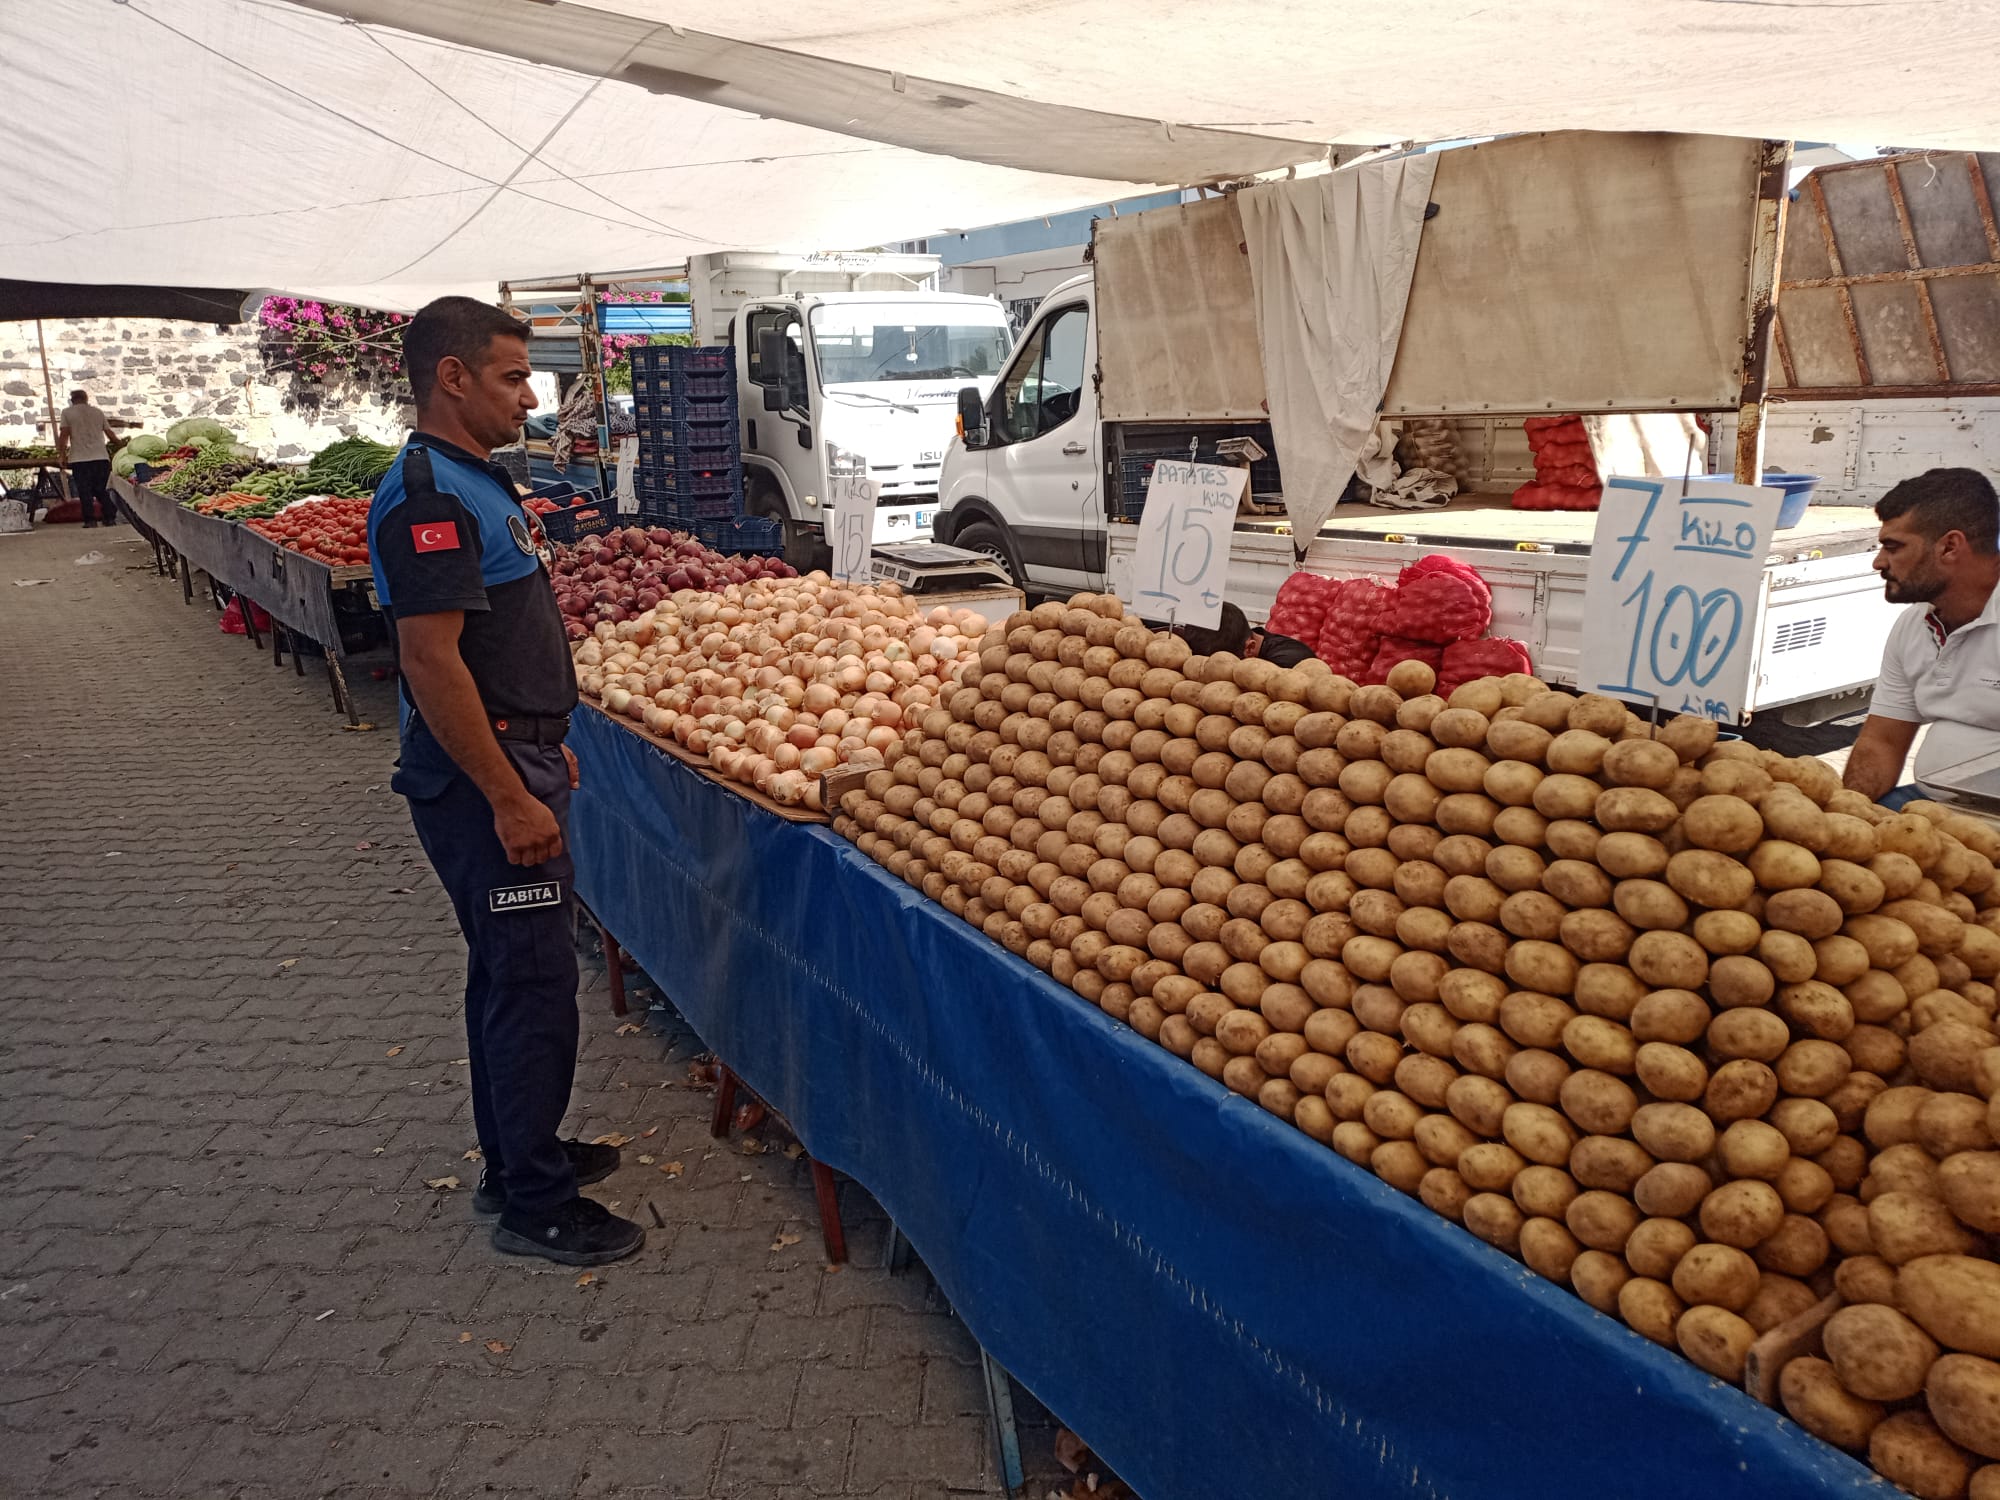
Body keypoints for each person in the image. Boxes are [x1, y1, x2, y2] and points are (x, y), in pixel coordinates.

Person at [369, 296, 644, 1267]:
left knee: (510, 971)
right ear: (451, 378)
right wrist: (506, 791)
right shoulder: (426, 497)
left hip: (513, 752)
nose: (529, 397)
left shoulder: (469, 481)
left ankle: (519, 1150)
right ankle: (535, 1200)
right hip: (480, 781)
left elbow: (489, 642)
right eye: (512, 377)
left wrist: (539, 737)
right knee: (529, 982)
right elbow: (431, 662)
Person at [1841, 468, 2000, 809]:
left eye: (1893, 547)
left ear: (1950, 547)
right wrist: (1848, 814)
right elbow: (1882, 741)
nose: (1878, 562)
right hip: (1932, 802)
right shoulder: (1913, 626)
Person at [55, 390, 127, 528]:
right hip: (100, 456)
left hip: (79, 458)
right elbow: (109, 433)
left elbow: (64, 434)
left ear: (72, 400)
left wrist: (62, 454)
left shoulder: (67, 413)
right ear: (86, 399)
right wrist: (121, 445)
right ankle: (109, 517)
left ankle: (90, 520)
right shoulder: (97, 412)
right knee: (102, 489)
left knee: (84, 490)